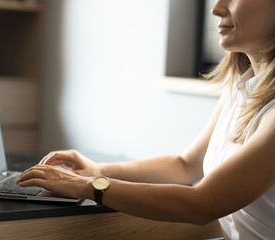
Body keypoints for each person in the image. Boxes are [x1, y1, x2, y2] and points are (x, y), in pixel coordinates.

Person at [16, 0, 275, 239]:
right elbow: (185, 166)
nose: (216, 8)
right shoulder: (242, 88)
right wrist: (98, 170)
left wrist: (87, 185)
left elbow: (202, 204)